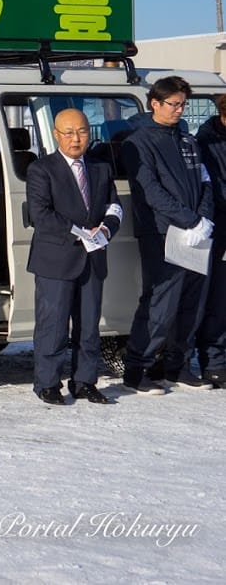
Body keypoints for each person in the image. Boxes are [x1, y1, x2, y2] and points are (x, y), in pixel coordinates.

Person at [121, 75, 214, 394]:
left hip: (197, 232)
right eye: (173, 104)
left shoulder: (187, 141)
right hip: (162, 232)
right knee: (160, 302)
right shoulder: (138, 142)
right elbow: (150, 190)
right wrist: (187, 219)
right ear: (154, 103)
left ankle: (177, 366)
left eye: (182, 105)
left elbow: (205, 182)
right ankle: (138, 369)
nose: (179, 110)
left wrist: (203, 218)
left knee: (193, 302)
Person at [24, 109, 122, 405]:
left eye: (81, 131)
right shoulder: (41, 169)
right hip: (56, 258)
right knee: (53, 324)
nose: (76, 138)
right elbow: (41, 215)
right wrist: (80, 231)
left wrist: (106, 229)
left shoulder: (101, 168)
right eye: (68, 133)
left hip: (93, 258)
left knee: (89, 324)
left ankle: (84, 382)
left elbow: (114, 206)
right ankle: (48, 383)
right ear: (56, 135)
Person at [194, 93, 226, 387]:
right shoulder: (208, 143)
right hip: (220, 229)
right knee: (218, 299)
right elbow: (215, 191)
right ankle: (214, 363)